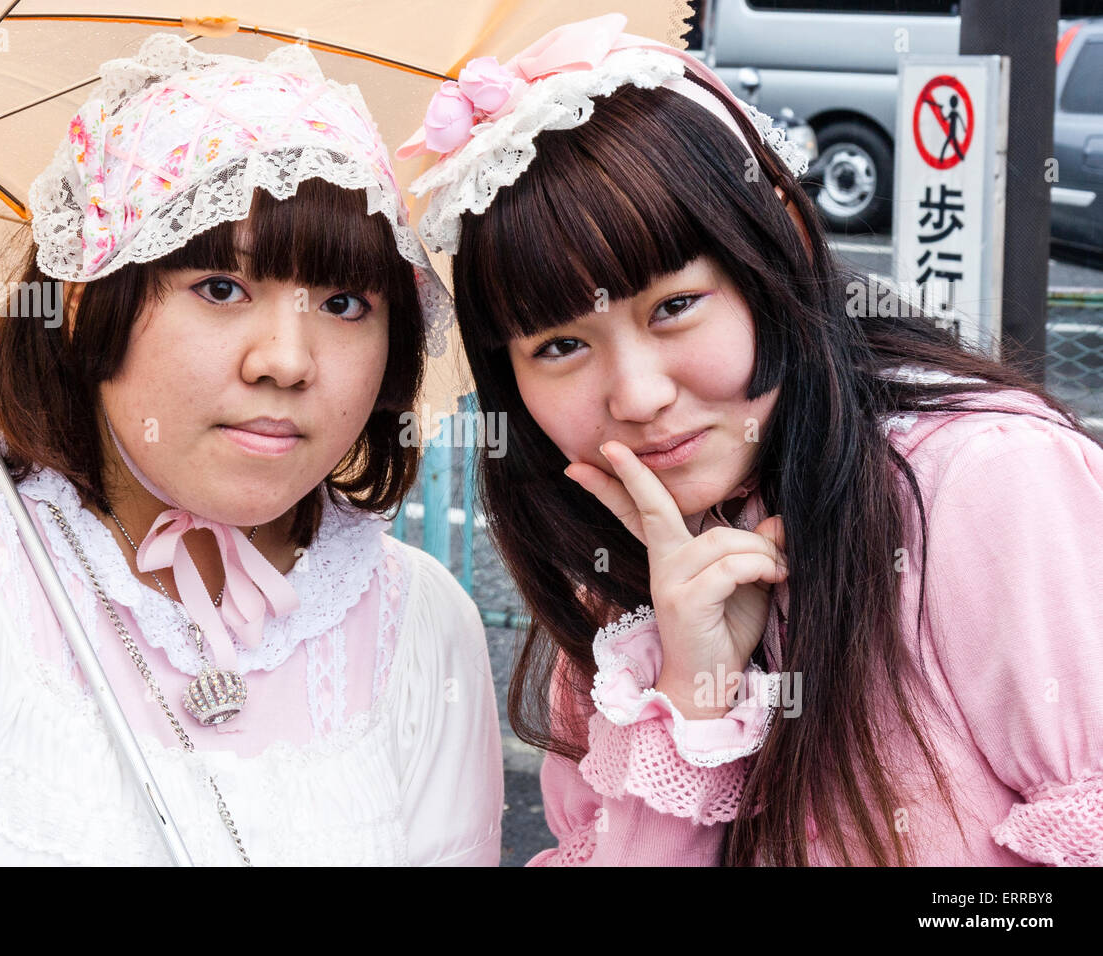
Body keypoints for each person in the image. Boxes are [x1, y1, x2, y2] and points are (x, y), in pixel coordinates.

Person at [399, 13, 1103, 865]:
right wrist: (690, 694)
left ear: (784, 249)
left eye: (673, 307)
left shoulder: (980, 485)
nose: (640, 396)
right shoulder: (615, 591)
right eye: (559, 346)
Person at [0, 34, 502, 866]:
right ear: (82, 300)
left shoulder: (419, 625)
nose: (285, 359)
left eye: (346, 302)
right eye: (220, 288)